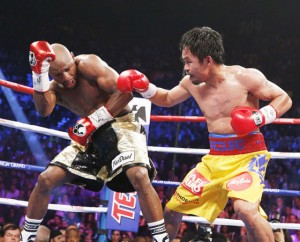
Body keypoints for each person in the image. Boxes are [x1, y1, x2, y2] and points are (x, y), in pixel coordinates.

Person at [117, 26, 293, 241]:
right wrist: (144, 87)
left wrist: (258, 118)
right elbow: (167, 99)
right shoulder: (191, 84)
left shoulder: (245, 77)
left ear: (207, 60)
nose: (185, 68)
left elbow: (283, 98)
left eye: (189, 61)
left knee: (246, 211)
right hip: (214, 160)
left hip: (248, 157)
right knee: (172, 211)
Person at [21, 41, 169, 242]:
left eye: (67, 69)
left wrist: (93, 121)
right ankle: (26, 237)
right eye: (57, 74)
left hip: (121, 124)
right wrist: (39, 76)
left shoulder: (89, 64)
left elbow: (125, 93)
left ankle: (162, 239)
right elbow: (43, 110)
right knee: (46, 179)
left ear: (73, 57)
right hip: (89, 137)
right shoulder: (54, 86)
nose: (65, 77)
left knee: (139, 174)